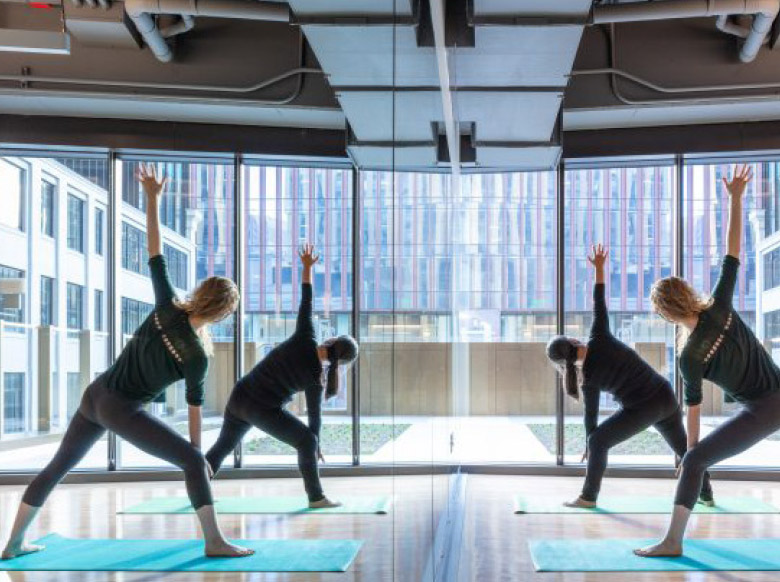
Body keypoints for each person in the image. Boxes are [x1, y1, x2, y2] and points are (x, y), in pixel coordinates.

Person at [2, 164, 252, 560]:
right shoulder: (199, 356)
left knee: (58, 467)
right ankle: (215, 541)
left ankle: (13, 544)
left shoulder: (167, 305)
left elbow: (156, 253)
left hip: (95, 396)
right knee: (191, 460)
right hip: (121, 408)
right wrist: (196, 455)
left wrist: (152, 200)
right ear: (223, 314)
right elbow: (194, 406)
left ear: (202, 292)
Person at [635, 164, 778, 557]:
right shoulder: (721, 304)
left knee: (695, 459)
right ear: (688, 292)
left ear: (664, 314)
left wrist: (691, 458)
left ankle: (672, 542)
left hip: (765, 408)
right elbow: (733, 251)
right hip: (771, 400)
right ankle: (672, 539)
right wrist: (735, 198)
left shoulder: (687, 357)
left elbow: (693, 413)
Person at [547, 244, 713, 508]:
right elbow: (598, 302)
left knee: (599, 440)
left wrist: (592, 447)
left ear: (563, 363)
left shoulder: (587, 379)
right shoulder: (599, 336)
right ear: (573, 339)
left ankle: (589, 496)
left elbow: (591, 420)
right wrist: (600, 269)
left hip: (643, 407)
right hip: (665, 395)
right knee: (683, 450)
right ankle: (706, 493)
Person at [206, 243, 358, 508]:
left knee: (222, 448)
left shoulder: (305, 337)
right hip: (260, 408)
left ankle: (198, 489)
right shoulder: (316, 378)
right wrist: (315, 446)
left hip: (239, 396)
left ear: (331, 339)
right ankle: (316, 497)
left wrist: (308, 267)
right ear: (340, 363)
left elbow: (306, 301)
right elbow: (314, 418)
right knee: (306, 440)